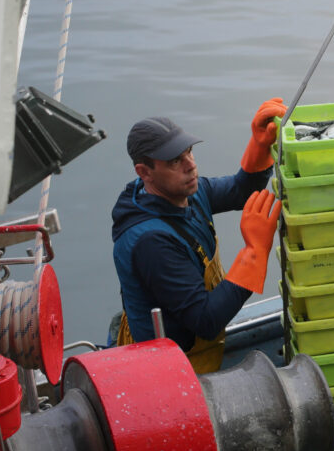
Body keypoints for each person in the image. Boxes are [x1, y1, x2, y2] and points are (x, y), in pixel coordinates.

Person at [111, 99, 286, 374]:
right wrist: (255, 251)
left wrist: (260, 146)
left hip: (193, 344)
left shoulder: (185, 193)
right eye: (174, 161)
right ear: (145, 173)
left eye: (189, 152)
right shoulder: (151, 243)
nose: (190, 165)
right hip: (170, 368)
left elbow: (240, 191)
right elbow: (206, 320)